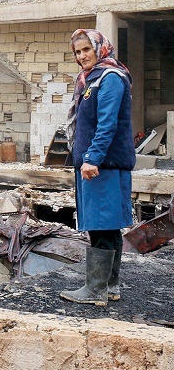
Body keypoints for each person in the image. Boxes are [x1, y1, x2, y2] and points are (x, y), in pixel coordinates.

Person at [60, 29, 134, 307]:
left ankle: (95, 290)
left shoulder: (110, 77)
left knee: (102, 225)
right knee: (109, 226)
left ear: (99, 49)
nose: (81, 56)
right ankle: (109, 286)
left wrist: (92, 158)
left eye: (86, 50)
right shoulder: (91, 79)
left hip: (103, 164)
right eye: (77, 52)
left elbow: (107, 123)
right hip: (97, 163)